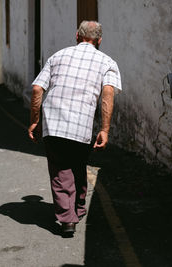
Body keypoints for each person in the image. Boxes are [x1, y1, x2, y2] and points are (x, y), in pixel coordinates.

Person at [28, 20, 122, 234]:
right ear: (99, 40)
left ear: (77, 36)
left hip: (54, 123)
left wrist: (35, 121)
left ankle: (67, 218)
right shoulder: (107, 62)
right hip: (82, 125)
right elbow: (107, 95)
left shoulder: (57, 56)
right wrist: (105, 130)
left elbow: (36, 89)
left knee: (61, 170)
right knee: (78, 164)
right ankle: (78, 208)